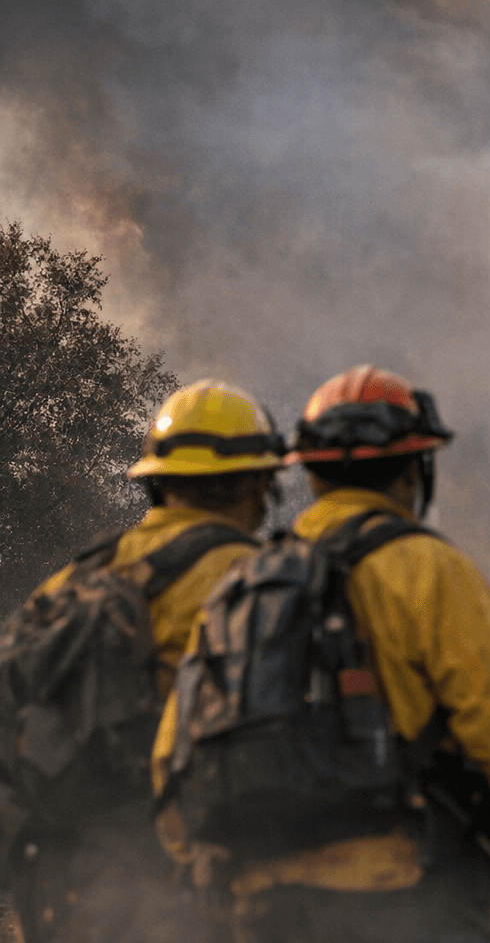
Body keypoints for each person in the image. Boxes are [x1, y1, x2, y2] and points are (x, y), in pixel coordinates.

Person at [158, 365, 490, 943]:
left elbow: (176, 750)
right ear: (414, 470)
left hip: (259, 903)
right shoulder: (429, 570)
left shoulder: (245, 579)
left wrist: (208, 873)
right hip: (397, 892)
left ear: (310, 475)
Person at [10, 380, 284, 941]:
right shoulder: (260, 580)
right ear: (259, 484)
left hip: (67, 875)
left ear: (158, 484)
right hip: (181, 878)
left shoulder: (84, 575)